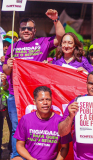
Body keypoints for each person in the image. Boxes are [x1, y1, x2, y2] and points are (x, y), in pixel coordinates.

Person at [3, 9, 65, 159]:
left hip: (37, 94)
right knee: (17, 128)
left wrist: (55, 20)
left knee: (37, 127)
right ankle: (17, 155)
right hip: (15, 94)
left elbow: (61, 37)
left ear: (34, 30)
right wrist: (8, 65)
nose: (26, 30)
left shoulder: (42, 42)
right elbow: (5, 70)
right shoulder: (13, 47)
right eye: (23, 28)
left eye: (29, 28)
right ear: (19, 30)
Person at [14, 86, 70, 160]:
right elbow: (19, 145)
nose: (45, 103)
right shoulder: (26, 119)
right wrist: (31, 159)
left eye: (48, 99)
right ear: (34, 102)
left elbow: (65, 147)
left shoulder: (60, 121)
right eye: (41, 100)